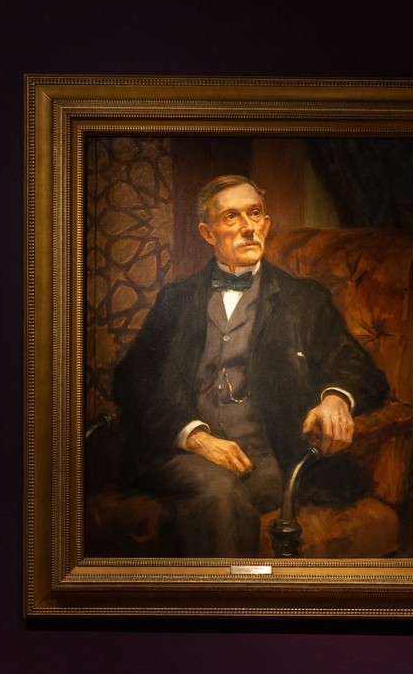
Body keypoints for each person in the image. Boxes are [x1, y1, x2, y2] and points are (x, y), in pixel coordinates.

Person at [112, 174, 389, 557]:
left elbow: (362, 371)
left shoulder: (303, 300)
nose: (247, 227)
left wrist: (336, 399)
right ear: (207, 233)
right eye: (232, 217)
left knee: (224, 495)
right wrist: (194, 435)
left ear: (267, 224)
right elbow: (129, 381)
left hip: (269, 456)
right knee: (217, 492)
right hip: (184, 453)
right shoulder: (176, 298)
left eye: (255, 214)